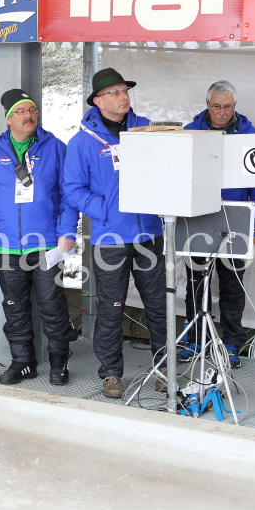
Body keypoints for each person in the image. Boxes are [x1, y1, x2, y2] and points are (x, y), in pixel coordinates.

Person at [61, 68, 166, 399]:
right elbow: (72, 190)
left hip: (149, 233)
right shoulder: (82, 142)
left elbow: (167, 169)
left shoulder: (147, 129)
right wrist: (106, 211)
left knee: (159, 305)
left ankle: (165, 368)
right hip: (110, 239)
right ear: (98, 100)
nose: (124, 96)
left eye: (126, 91)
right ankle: (110, 374)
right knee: (111, 307)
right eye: (117, 92)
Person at [0, 89, 78, 385]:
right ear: (8, 119)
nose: (29, 115)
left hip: (46, 244)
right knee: (14, 307)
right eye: (21, 111)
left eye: (32, 110)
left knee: (51, 304)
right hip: (7, 246)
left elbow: (70, 193)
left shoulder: (55, 147)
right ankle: (22, 362)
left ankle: (59, 363)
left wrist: (67, 230)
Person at [180, 80, 255, 368]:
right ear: (207, 105)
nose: (222, 112)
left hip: (236, 220)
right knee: (197, 285)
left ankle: (231, 344)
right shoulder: (190, 133)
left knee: (232, 287)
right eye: (217, 106)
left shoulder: (249, 134)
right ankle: (195, 341)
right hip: (198, 219)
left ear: (235, 106)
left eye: (228, 106)